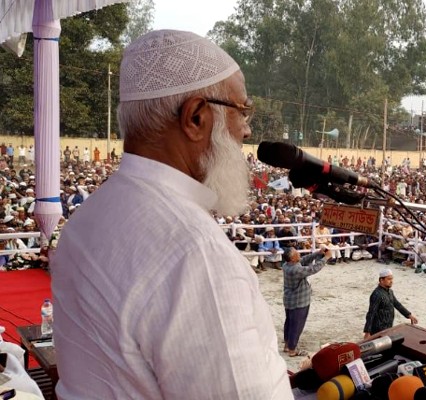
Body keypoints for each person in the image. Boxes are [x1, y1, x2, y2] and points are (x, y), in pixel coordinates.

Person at [51, 30, 292, 399]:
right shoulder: (196, 255)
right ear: (196, 118)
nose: (247, 129)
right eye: (242, 111)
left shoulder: (87, 218)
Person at [281, 246, 330, 356]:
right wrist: (325, 258)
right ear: (292, 259)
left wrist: (317, 253)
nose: (299, 254)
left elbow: (303, 261)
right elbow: (313, 269)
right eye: (296, 254)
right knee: (296, 325)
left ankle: (287, 345)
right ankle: (292, 349)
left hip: (290, 299)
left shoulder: (287, 265)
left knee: (289, 323)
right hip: (299, 301)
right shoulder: (296, 269)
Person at [363, 268, 418, 338]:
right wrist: (367, 331)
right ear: (381, 280)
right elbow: (371, 313)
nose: (391, 281)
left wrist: (409, 315)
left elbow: (397, 304)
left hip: (388, 326)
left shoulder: (390, 292)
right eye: (389, 279)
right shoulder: (376, 294)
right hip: (378, 329)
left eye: (392, 279)